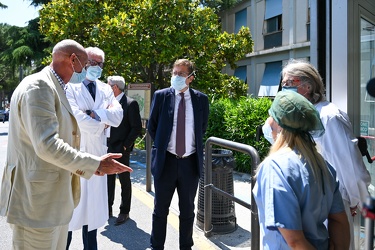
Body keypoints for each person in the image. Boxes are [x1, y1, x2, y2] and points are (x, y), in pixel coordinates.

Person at [0, 39, 132, 250]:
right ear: (73, 60)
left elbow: (113, 117)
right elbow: (47, 144)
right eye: (86, 63)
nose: (88, 69)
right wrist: (95, 164)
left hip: (52, 200)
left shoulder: (55, 87)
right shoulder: (39, 87)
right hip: (37, 205)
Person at [280, 59, 371, 249]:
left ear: (308, 86)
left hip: (333, 204)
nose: (285, 88)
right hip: (309, 202)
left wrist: (354, 199)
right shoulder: (300, 115)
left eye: (290, 83)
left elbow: (349, 164)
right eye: (283, 84)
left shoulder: (329, 116)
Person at [254, 90, 350, 249]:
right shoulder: (323, 166)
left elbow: (295, 241)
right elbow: (339, 220)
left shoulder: (275, 167)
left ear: (279, 125)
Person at [147, 59, 209, 250]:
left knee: (187, 211)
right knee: (160, 210)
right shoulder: (161, 96)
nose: (176, 77)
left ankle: (186, 247)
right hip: (166, 161)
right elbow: (152, 127)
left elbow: (202, 128)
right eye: (174, 73)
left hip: (189, 163)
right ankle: (157, 246)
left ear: (190, 78)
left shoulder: (201, 99)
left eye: (181, 74)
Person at [65, 46, 123, 249]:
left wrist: (92, 113)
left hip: (98, 155)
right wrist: (102, 118)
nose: (96, 66)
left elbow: (118, 116)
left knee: (92, 221)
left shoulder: (106, 89)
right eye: (92, 62)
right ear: (81, 61)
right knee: (70, 219)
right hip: (76, 157)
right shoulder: (69, 87)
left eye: (100, 63)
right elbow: (78, 121)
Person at [107, 75, 142, 225]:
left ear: (115, 87)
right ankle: (107, 208)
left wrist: (126, 145)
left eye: (108, 85)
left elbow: (136, 127)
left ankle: (124, 211)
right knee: (108, 180)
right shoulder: (107, 103)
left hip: (121, 148)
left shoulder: (130, 103)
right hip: (107, 147)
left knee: (124, 180)